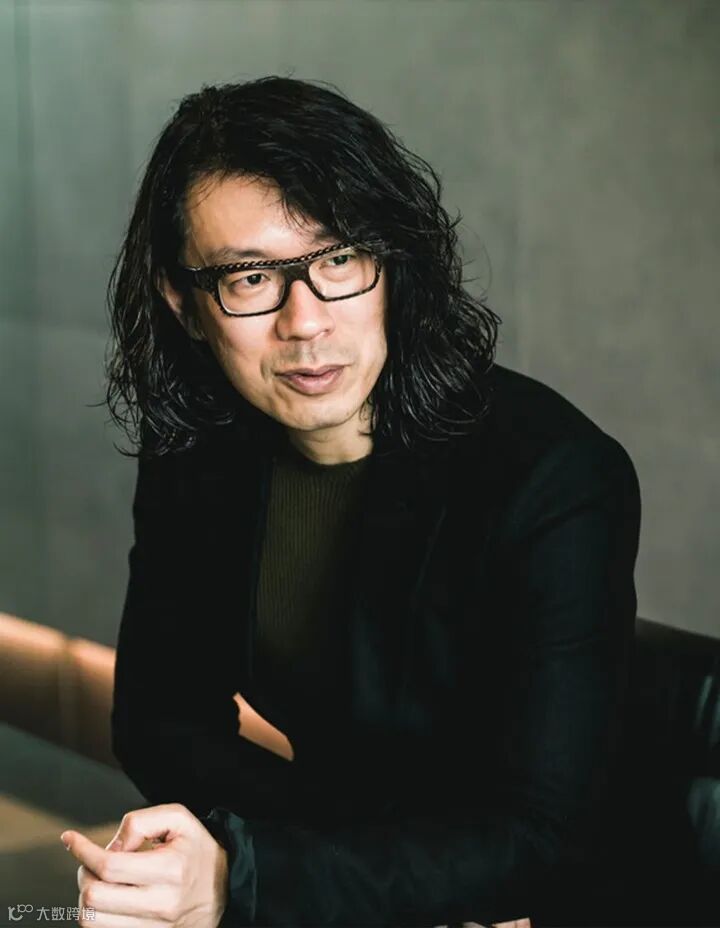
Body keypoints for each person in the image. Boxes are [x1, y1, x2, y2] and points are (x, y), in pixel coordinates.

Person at [60, 76, 641, 928]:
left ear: (392, 264)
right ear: (183, 302)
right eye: (249, 277)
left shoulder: (551, 476)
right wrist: (256, 870)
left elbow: (544, 836)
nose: (306, 322)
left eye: (338, 260)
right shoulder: (202, 441)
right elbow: (158, 721)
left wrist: (249, 874)